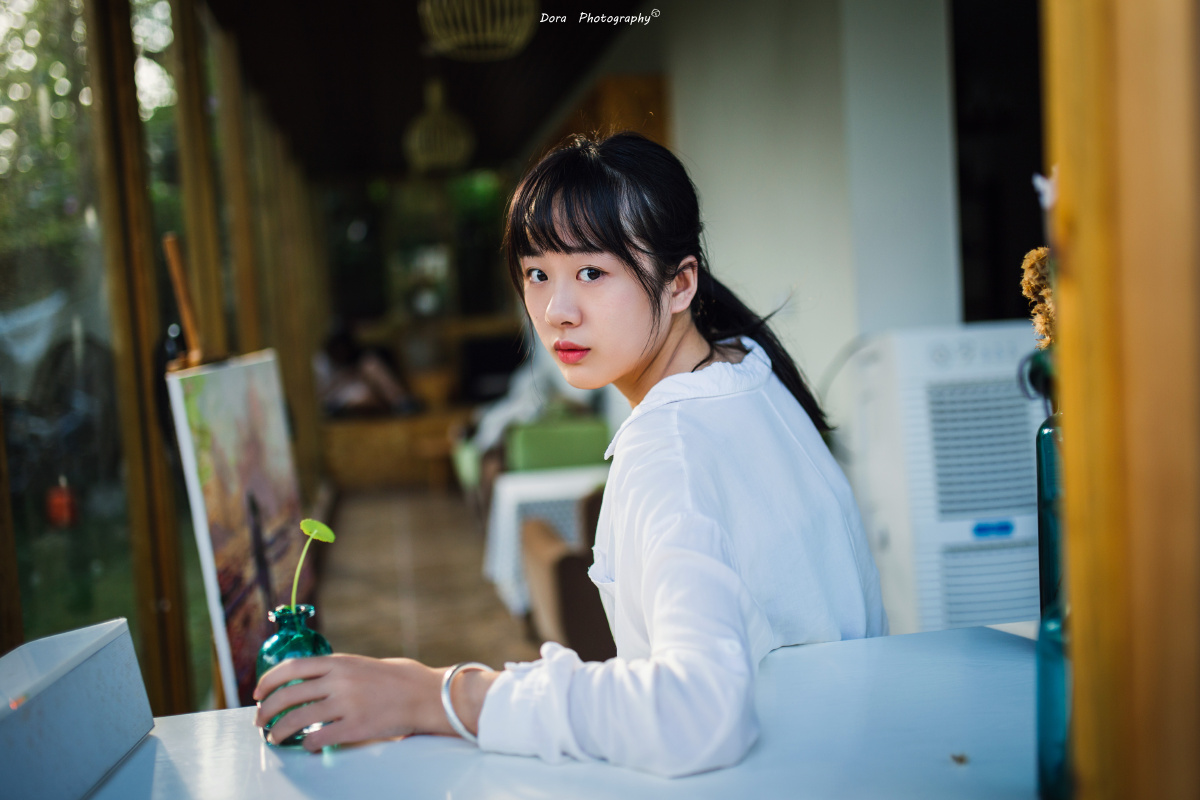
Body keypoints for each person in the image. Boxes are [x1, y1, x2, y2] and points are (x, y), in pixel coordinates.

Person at [254, 131, 887, 777]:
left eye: (592, 273)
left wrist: (439, 695)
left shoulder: (669, 447)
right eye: (537, 274)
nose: (556, 311)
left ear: (680, 284)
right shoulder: (747, 372)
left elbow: (697, 713)